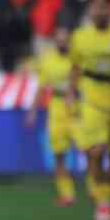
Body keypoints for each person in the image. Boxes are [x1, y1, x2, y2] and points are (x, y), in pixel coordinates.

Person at [67, 0, 110, 220]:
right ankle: (102, 202)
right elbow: (75, 67)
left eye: (103, 6)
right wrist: (72, 92)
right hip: (91, 99)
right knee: (96, 151)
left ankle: (105, 196)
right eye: (95, 7)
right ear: (89, 11)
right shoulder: (80, 37)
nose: (99, 11)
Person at [25, 27, 78, 207]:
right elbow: (41, 87)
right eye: (59, 39)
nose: (62, 42)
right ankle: (67, 194)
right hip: (57, 107)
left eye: (65, 39)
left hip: (79, 106)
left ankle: (98, 190)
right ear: (55, 40)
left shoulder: (79, 58)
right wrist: (32, 111)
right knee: (58, 154)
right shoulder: (48, 61)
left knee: (91, 149)